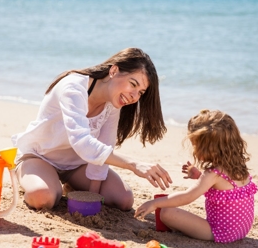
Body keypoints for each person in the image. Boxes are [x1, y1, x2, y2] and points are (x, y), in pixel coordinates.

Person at [12, 47, 172, 211]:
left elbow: (105, 143)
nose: (134, 96)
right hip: (40, 156)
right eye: (133, 84)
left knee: (124, 200)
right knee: (42, 197)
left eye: (141, 92)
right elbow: (82, 143)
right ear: (114, 70)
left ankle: (68, 185)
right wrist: (134, 164)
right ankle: (33, 178)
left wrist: (92, 194)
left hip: (77, 165)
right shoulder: (73, 88)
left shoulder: (114, 101)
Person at [134, 109, 258, 243]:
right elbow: (223, 186)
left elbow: (188, 196)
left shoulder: (213, 174)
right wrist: (199, 175)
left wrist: (155, 203)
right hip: (241, 229)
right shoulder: (238, 165)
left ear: (206, 148)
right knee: (167, 211)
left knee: (166, 212)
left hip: (220, 232)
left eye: (195, 145)